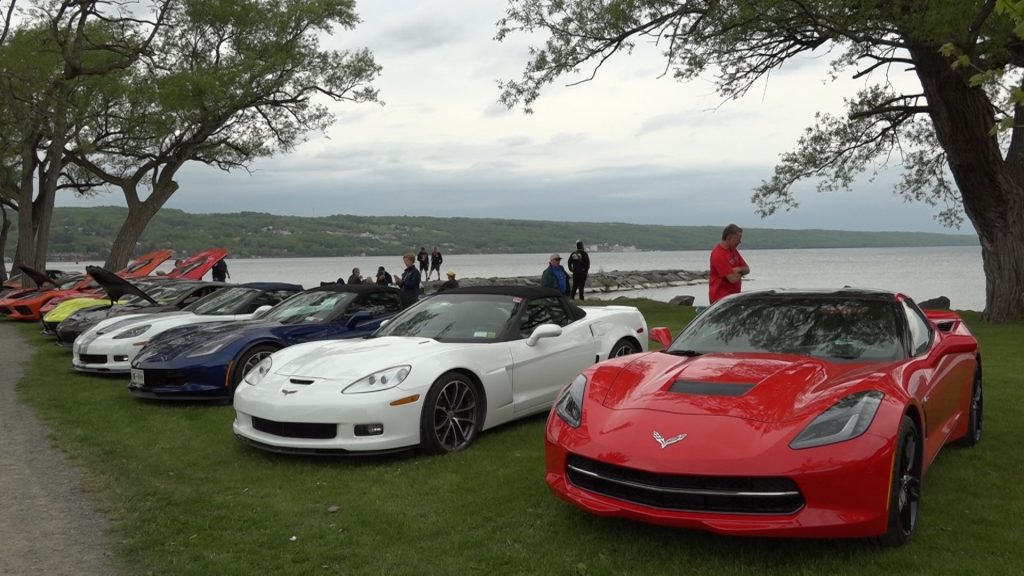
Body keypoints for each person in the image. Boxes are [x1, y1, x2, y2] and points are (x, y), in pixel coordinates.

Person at [709, 223, 750, 304]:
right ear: (728, 238)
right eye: (738, 239)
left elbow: (747, 269)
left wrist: (738, 269)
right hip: (720, 300)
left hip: (733, 297)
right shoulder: (718, 254)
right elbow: (732, 279)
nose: (739, 242)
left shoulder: (733, 250)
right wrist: (741, 272)